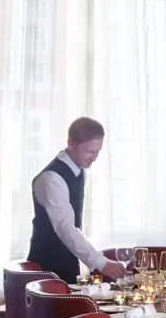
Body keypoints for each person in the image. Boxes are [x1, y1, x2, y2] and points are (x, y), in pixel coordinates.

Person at [27, 117, 128, 284]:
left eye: (97, 152)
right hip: (46, 270)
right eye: (89, 152)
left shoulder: (79, 169)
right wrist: (101, 263)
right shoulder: (51, 179)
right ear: (71, 143)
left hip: (68, 264)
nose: (94, 158)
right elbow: (65, 227)